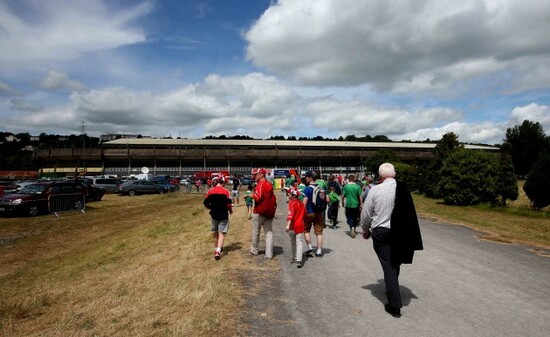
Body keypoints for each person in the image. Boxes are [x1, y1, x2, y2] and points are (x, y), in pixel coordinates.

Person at [360, 163, 423, 318]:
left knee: (388, 266)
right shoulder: (402, 188)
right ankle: (392, 285)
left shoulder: (375, 190)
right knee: (394, 263)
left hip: (381, 232)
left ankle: (395, 305)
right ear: (394, 174)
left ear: (381, 175)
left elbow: (366, 214)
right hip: (400, 232)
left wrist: (365, 229)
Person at [203, 173, 233, 260]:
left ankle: (216, 249)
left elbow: (205, 203)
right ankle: (218, 250)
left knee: (215, 232)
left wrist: (210, 208)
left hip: (214, 214)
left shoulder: (210, 191)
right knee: (221, 233)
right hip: (223, 214)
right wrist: (230, 210)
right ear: (223, 182)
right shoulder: (226, 192)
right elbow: (228, 204)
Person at [250, 168, 277, 259]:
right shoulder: (269, 184)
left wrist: (250, 195)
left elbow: (258, 197)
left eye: (256, 174)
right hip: (269, 212)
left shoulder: (261, 184)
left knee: (255, 232)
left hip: (259, 212)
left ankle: (255, 250)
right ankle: (269, 254)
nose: (254, 176)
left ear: (261, 174)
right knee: (269, 233)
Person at [302, 170, 327, 257]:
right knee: (319, 232)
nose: (305, 179)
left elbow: (304, 202)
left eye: (306, 177)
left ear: (309, 178)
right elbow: (327, 200)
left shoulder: (307, 189)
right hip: (319, 212)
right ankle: (319, 251)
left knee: (306, 230)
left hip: (309, 212)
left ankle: (309, 248)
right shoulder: (321, 188)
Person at [285, 186, 306, 268]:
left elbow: (290, 215)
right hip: (300, 225)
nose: (287, 196)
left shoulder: (291, 203)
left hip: (292, 226)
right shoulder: (302, 204)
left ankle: (294, 257)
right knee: (299, 242)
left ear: (293, 196)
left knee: (292, 242)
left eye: (289, 194)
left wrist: (287, 225)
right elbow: (304, 214)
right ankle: (299, 260)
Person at [341, 174, 362, 238]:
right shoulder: (358, 186)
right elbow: (360, 196)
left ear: (349, 179)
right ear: (354, 179)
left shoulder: (346, 186)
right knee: (355, 217)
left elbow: (342, 196)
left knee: (349, 216)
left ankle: (351, 227)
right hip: (356, 204)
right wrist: (361, 204)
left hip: (348, 204)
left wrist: (342, 203)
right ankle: (354, 228)